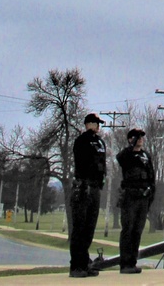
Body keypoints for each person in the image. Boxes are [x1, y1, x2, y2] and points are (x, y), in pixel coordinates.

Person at [69, 113, 107, 278]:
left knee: (89, 228)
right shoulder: (82, 140)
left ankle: (85, 263)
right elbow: (83, 162)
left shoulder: (100, 142)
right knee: (80, 227)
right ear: (88, 124)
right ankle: (76, 266)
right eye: (96, 123)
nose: (98, 126)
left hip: (95, 187)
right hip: (83, 187)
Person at [116, 128, 156, 274]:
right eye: (137, 137)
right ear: (130, 139)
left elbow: (151, 176)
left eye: (141, 137)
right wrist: (131, 147)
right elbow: (119, 158)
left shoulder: (146, 155)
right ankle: (125, 263)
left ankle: (132, 261)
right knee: (128, 228)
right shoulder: (127, 155)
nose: (140, 139)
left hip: (143, 196)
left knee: (138, 230)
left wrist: (151, 193)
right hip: (130, 196)